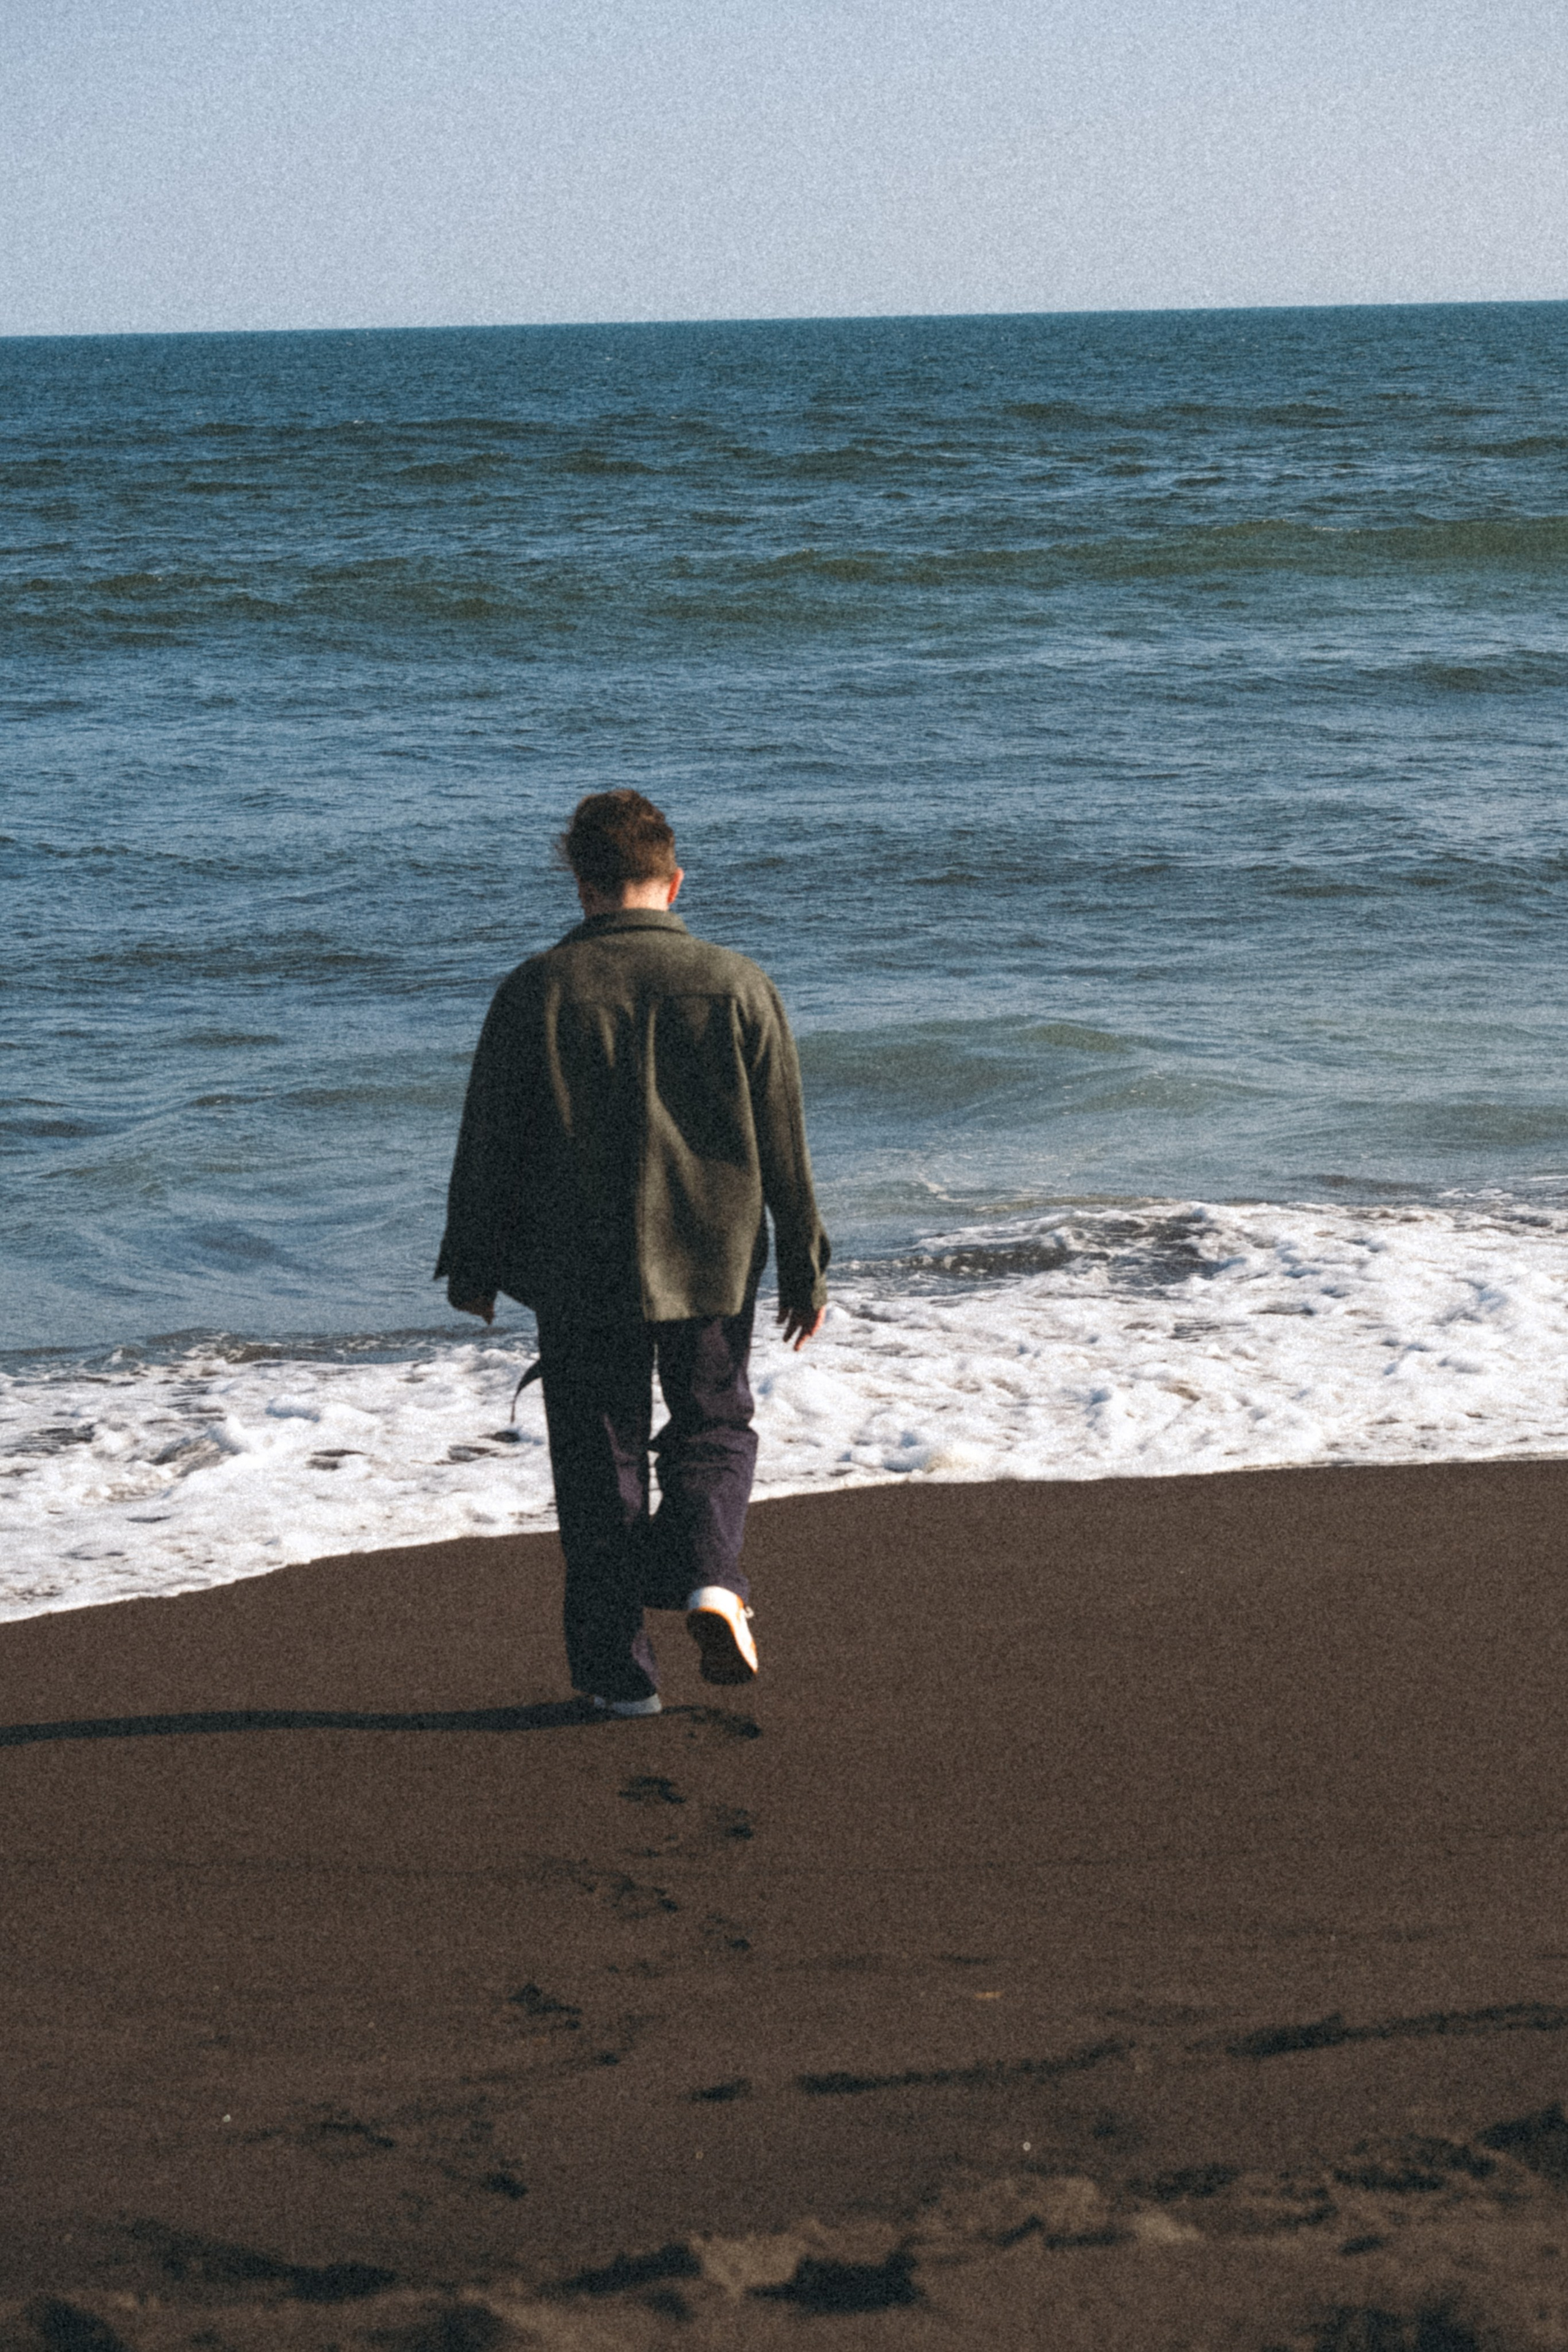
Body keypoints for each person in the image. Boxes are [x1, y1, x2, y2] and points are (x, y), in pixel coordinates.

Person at [435, 789, 830, 1717]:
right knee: (714, 1424)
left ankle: (621, 1680)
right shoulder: (739, 983)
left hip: (579, 1266)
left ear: (580, 886)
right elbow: (785, 1141)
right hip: (713, 1254)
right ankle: (710, 1581)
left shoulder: (536, 988)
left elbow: (489, 1138)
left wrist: (473, 1261)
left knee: (597, 1454)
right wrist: (807, 1262)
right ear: (675, 879)